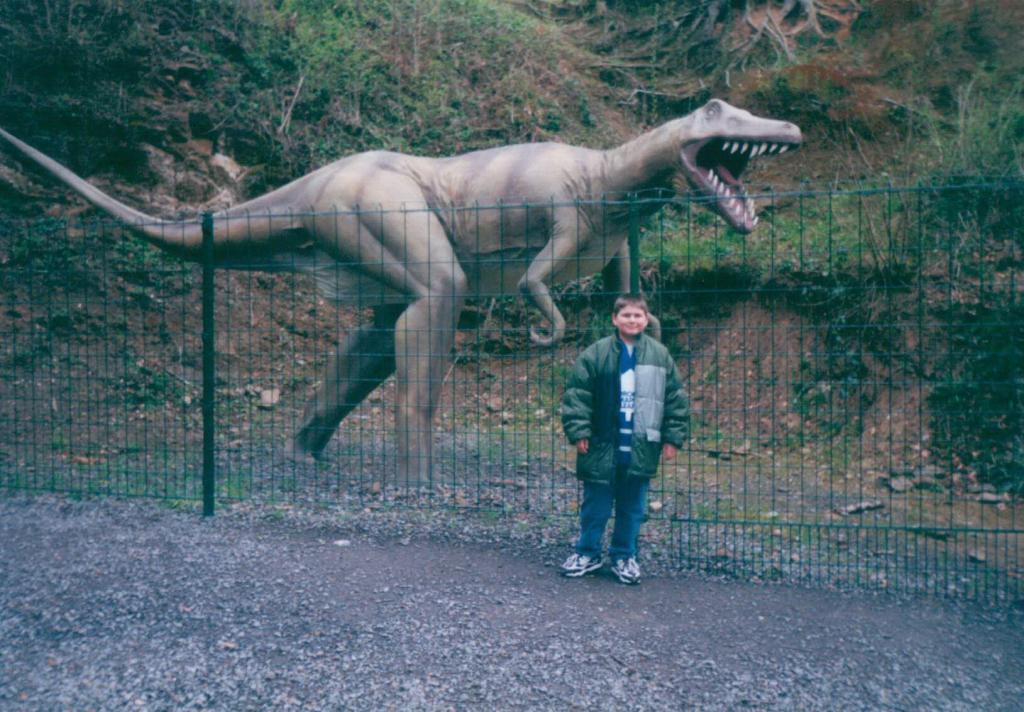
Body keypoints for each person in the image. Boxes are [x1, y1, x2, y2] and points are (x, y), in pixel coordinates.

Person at [560, 294, 688, 584]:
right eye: (626, 315)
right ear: (615, 319)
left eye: (637, 315)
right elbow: (578, 395)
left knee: (632, 507)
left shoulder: (660, 355)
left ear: (646, 319)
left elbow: (675, 399)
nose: (632, 320)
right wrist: (580, 430)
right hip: (602, 444)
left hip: (641, 445)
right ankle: (587, 552)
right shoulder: (595, 354)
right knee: (596, 505)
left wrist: (673, 438)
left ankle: (624, 556)